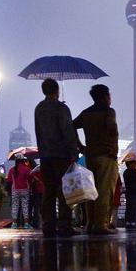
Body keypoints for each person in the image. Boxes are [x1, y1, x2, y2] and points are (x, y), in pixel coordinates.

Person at [34, 78, 81, 237]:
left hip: (45, 155)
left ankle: (48, 224)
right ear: (57, 91)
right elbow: (67, 131)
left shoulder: (39, 108)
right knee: (64, 190)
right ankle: (64, 225)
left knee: (49, 191)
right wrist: (73, 152)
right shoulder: (62, 108)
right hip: (61, 155)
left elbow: (38, 133)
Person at [73, 83, 119, 235]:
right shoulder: (108, 112)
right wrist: (113, 147)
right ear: (105, 96)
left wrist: (80, 146)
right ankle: (101, 224)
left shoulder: (86, 113)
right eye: (109, 95)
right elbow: (112, 128)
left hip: (90, 155)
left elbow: (71, 126)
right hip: (106, 154)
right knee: (105, 190)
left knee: (91, 191)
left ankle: (90, 223)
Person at [7, 156, 31, 228]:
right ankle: (26, 224)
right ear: (23, 161)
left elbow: (9, 181)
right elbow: (30, 179)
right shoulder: (27, 169)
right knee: (25, 206)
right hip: (25, 190)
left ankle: (14, 224)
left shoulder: (12, 170)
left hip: (15, 190)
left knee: (15, 206)